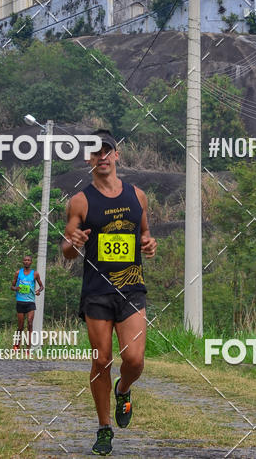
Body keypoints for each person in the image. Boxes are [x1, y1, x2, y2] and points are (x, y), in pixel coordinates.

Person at [62, 129, 157, 456]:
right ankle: (104, 428)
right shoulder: (81, 201)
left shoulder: (137, 196)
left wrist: (148, 243)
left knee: (134, 359)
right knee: (101, 360)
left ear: (116, 156)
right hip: (97, 292)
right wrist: (73, 244)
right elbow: (67, 248)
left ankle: (124, 389)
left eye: (107, 151)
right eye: (94, 153)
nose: (101, 157)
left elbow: (144, 234)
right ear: (88, 159)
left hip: (131, 287)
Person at [10, 255, 43, 353]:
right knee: (20, 326)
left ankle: (28, 348)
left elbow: (41, 286)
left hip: (30, 302)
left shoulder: (35, 274)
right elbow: (12, 286)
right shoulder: (18, 273)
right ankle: (16, 346)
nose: (27, 261)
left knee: (29, 323)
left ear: (31, 262)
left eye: (28, 260)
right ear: (23, 262)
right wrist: (16, 288)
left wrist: (38, 291)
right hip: (20, 301)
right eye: (25, 260)